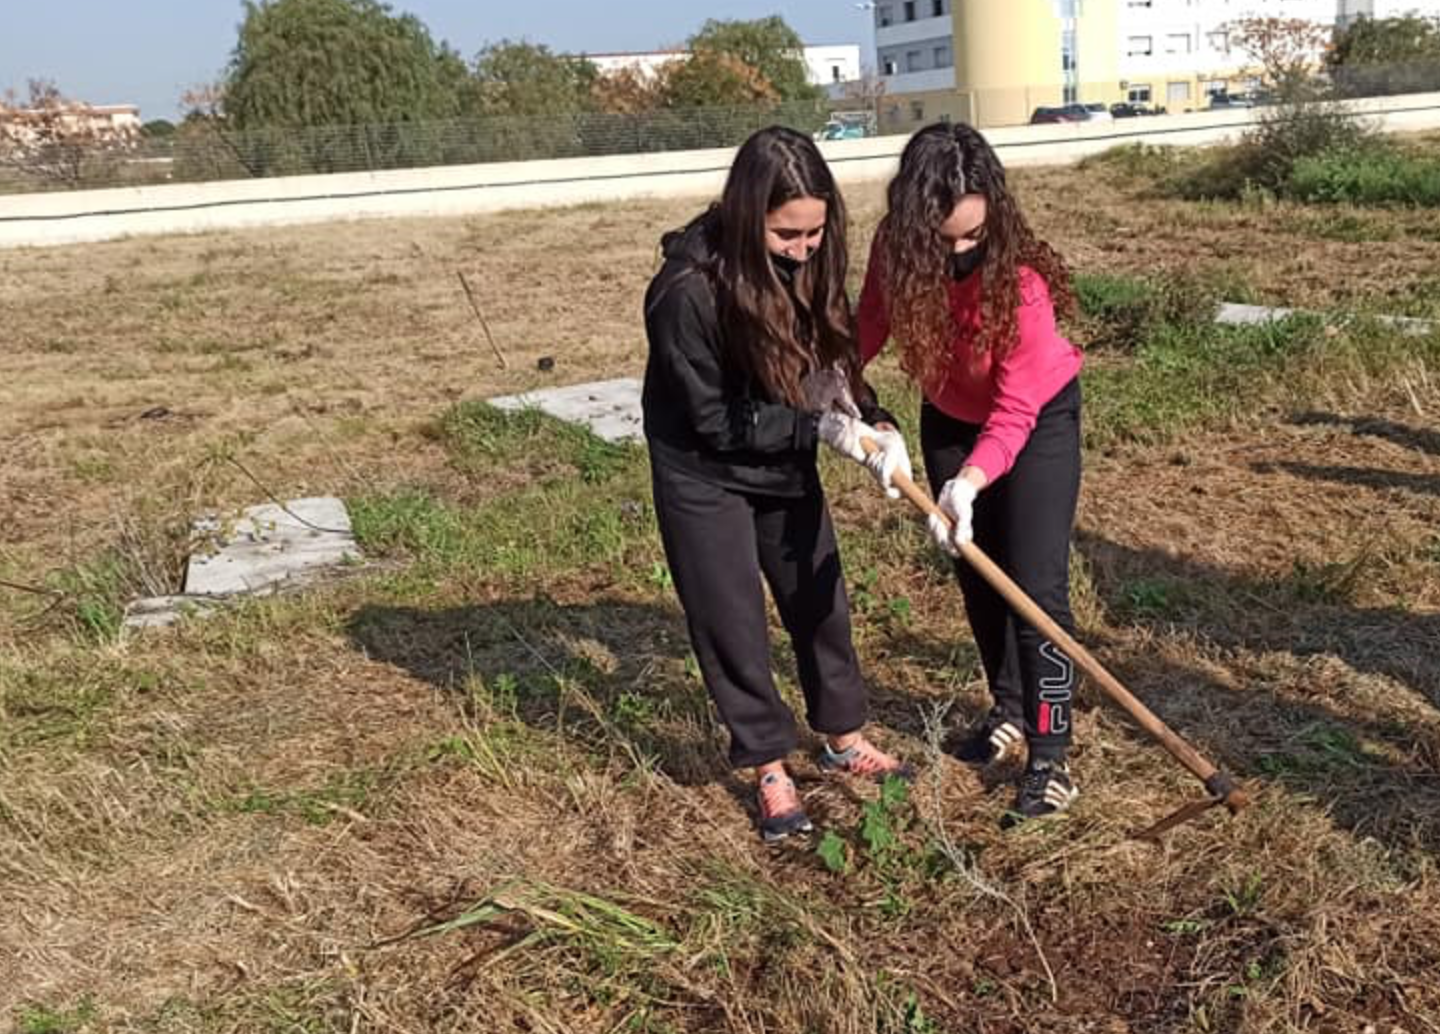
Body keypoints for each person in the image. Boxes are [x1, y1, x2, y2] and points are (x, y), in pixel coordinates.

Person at [642, 125, 914, 843]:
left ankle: (842, 737)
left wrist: (871, 418)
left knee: (818, 600)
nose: (803, 249)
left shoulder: (813, 260)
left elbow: (830, 351)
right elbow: (711, 419)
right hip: (703, 469)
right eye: (786, 235)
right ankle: (767, 763)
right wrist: (818, 432)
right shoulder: (684, 292)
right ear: (745, 215)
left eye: (815, 232)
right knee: (731, 620)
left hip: (782, 458)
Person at [857, 121, 1084, 825]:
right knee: (977, 568)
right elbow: (865, 329)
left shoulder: (1019, 279)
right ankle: (1009, 709)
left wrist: (972, 480)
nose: (958, 252)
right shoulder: (894, 251)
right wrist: (836, 394)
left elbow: (1016, 407)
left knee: (1034, 585)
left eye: (972, 238)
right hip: (949, 416)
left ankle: (1052, 755)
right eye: (944, 238)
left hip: (1036, 422)